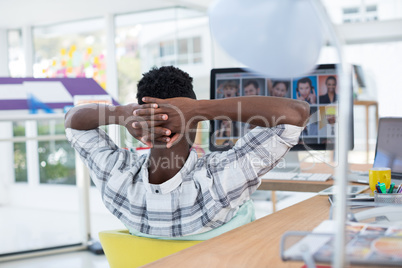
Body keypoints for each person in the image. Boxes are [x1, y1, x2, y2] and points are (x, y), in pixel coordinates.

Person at [65, 66, 309, 240]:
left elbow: (72, 121)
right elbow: (296, 113)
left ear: (139, 121)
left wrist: (121, 113)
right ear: (194, 122)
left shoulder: (117, 180)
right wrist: (201, 108)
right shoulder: (220, 182)